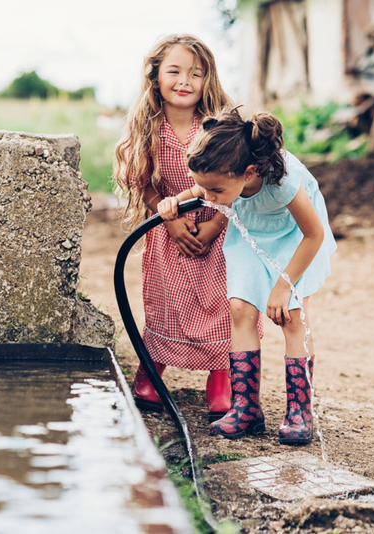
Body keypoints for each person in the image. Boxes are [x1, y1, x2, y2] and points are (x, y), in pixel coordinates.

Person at [157, 108, 337, 445]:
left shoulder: (281, 181)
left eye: (215, 191)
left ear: (248, 172)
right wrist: (172, 203)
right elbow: (200, 191)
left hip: (295, 239)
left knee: (292, 317)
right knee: (239, 309)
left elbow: (315, 235)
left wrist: (284, 286)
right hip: (250, 233)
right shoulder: (222, 180)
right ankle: (245, 407)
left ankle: (300, 411)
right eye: (202, 188)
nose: (207, 199)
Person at [113, 35, 256, 421]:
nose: (184, 80)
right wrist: (171, 222)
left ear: (207, 79)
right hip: (167, 227)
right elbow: (141, 181)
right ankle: (152, 371)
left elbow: (236, 182)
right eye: (174, 71)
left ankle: (221, 378)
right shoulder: (148, 128)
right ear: (155, 76)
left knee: (221, 304)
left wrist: (213, 225)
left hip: (220, 225)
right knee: (165, 300)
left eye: (196, 73)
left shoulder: (216, 126)